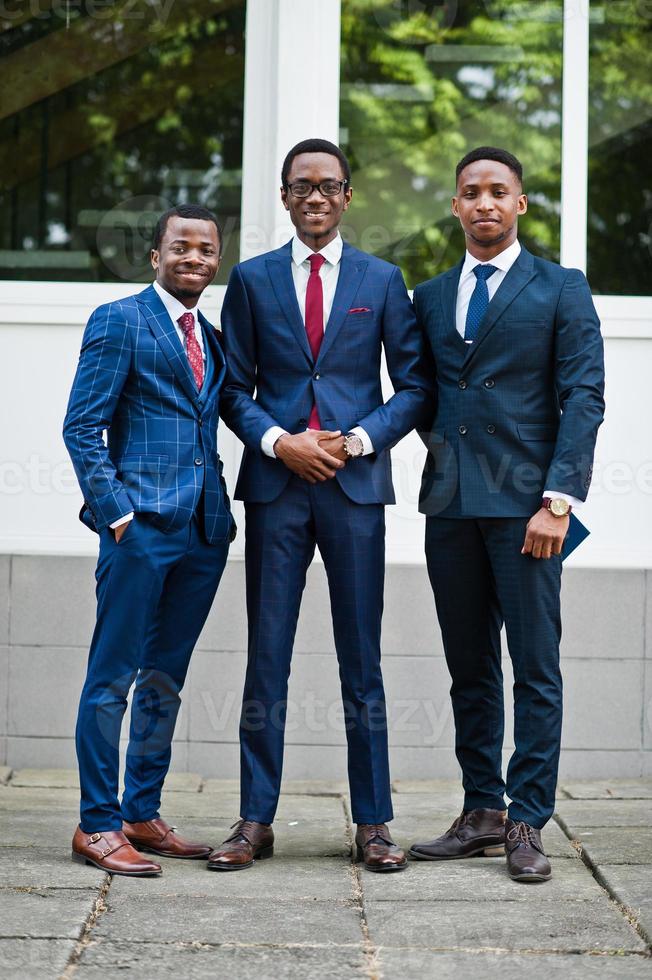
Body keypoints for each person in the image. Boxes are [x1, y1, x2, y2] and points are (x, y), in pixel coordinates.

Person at [210, 138, 433, 873]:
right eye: (300, 185)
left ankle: (372, 823)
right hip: (277, 490)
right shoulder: (251, 280)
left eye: (327, 185)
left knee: (360, 658)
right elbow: (232, 390)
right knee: (266, 656)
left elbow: (413, 387)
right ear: (284, 196)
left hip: (354, 489)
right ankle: (253, 820)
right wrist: (279, 443)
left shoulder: (382, 278)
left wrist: (361, 441)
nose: (314, 197)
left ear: (345, 196)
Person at [409, 147, 605, 882]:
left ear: (521, 203)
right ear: (456, 207)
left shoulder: (561, 288)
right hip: (451, 507)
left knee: (535, 669)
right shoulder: (427, 296)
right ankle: (481, 810)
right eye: (470, 192)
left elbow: (584, 398)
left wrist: (559, 500)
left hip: (530, 510)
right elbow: (416, 395)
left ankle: (527, 819)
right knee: (469, 670)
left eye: (499, 191)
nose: (484, 202)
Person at [63, 204, 235, 876]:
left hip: (203, 533)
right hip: (139, 531)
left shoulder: (213, 337)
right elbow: (82, 427)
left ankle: (141, 811)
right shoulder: (120, 320)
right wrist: (118, 515)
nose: (193, 258)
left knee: (166, 678)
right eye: (180, 247)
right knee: (112, 679)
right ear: (156, 255)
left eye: (206, 249)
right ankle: (97, 824)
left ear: (217, 260)